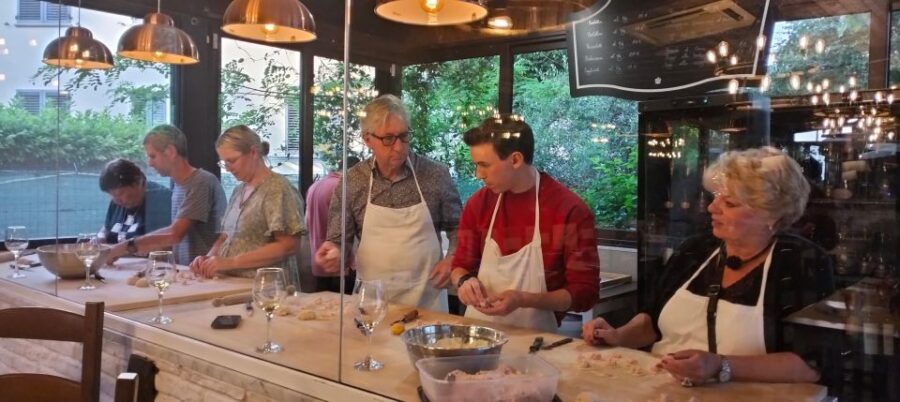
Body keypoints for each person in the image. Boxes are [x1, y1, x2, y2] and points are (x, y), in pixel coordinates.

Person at [582, 147, 833, 386]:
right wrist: (618, 336)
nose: (712, 208)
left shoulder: (800, 261)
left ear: (771, 214)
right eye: (716, 197)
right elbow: (651, 321)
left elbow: (809, 365)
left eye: (730, 203)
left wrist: (721, 366)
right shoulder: (696, 249)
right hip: (661, 390)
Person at [448, 114, 601, 332]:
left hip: (537, 343)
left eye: (484, 165)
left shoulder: (569, 211)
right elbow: (460, 266)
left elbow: (585, 294)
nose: (478, 174)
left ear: (516, 160)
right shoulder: (479, 205)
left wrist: (523, 299)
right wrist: (464, 282)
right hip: (478, 336)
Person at [314, 94, 462, 312]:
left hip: (426, 301)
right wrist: (334, 252)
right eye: (388, 139)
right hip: (372, 304)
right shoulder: (353, 181)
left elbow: (460, 229)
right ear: (367, 139)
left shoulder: (434, 175)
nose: (399, 146)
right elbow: (339, 240)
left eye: (404, 136)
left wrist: (451, 259)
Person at [190, 125, 305, 286]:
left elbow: (288, 245)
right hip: (233, 285)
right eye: (224, 163)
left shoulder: (277, 189)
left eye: (232, 161)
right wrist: (208, 259)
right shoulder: (239, 190)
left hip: (267, 289)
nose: (228, 169)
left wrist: (231, 262)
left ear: (253, 152)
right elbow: (225, 237)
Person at [107, 124, 227, 265]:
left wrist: (127, 247)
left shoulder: (201, 182)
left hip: (205, 274)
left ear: (170, 151)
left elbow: (174, 235)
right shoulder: (179, 185)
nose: (150, 163)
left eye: (153, 156)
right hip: (188, 273)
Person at [306, 155, 361, 293]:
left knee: (322, 308)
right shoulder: (342, 187)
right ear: (353, 171)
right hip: (340, 263)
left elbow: (306, 222)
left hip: (318, 259)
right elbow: (351, 225)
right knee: (340, 310)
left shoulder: (314, 186)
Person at [98, 158, 171, 244]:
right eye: (111, 195)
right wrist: (100, 237)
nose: (116, 200)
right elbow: (106, 228)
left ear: (137, 182)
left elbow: (165, 242)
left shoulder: (162, 200)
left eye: (120, 193)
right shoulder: (116, 202)